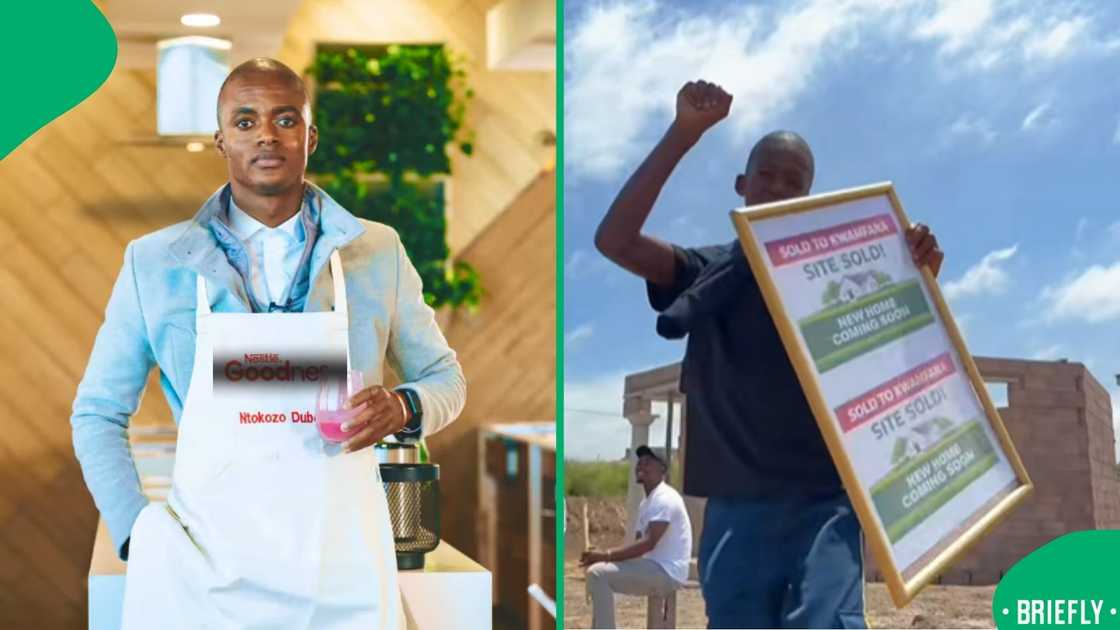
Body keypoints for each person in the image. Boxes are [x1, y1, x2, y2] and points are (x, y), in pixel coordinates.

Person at [70, 58, 466, 629]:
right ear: (221, 140)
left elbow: (446, 380)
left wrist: (403, 406)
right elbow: (97, 413)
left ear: (310, 137)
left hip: (345, 568)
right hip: (205, 571)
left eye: (285, 120)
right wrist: (136, 530)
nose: (265, 136)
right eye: (246, 120)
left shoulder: (378, 252)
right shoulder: (155, 263)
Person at [594, 79, 944, 629]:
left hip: (827, 500)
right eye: (767, 176)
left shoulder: (839, 282)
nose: (779, 188)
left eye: (793, 181)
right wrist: (683, 134)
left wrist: (913, 278)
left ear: (808, 195)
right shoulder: (706, 273)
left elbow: (895, 361)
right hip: (737, 504)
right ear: (741, 184)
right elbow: (614, 240)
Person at [580, 445, 693, 629]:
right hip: (653, 566)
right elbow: (638, 546)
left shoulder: (665, 498)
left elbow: (648, 543)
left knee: (599, 574)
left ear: (662, 469)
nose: (641, 466)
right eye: (640, 462)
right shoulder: (646, 503)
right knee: (597, 570)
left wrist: (606, 555)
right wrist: (600, 556)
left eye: (648, 462)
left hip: (667, 572)